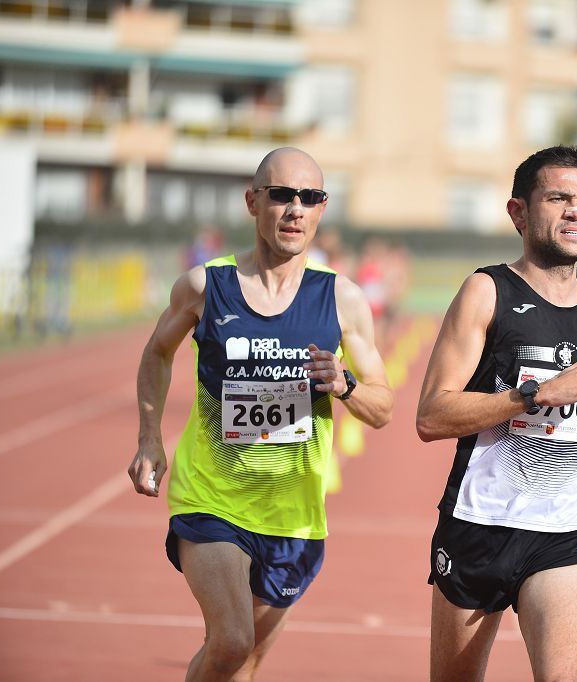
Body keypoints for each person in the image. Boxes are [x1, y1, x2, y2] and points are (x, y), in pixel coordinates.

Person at [127, 147, 393, 681]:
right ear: (253, 202)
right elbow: (157, 351)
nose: (296, 209)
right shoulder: (206, 287)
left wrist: (344, 384)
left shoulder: (341, 299)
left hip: (294, 516)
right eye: (282, 195)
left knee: (243, 664)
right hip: (212, 498)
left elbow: (383, 407)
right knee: (230, 640)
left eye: (310, 197)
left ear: (322, 209)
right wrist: (149, 437)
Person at [416, 145, 577, 681]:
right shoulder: (486, 292)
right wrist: (536, 395)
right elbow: (431, 416)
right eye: (558, 198)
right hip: (480, 524)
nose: (575, 211)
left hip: (563, 528)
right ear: (519, 212)